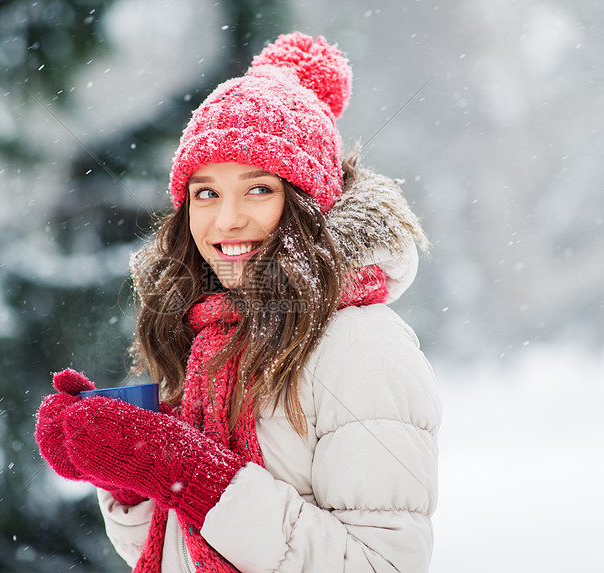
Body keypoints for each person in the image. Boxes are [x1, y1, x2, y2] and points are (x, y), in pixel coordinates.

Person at [35, 31, 441, 573]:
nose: (226, 221)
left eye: (258, 189)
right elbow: (178, 551)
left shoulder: (360, 345)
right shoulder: (206, 333)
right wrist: (122, 470)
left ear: (307, 203)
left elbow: (381, 564)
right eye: (206, 192)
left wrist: (181, 466)